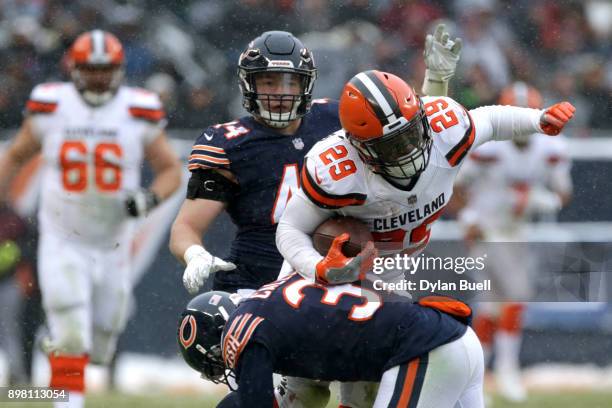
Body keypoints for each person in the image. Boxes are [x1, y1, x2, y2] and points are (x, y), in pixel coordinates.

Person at [169, 25, 462, 407]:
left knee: (367, 385)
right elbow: (185, 227)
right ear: (247, 84)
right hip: (261, 289)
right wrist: (194, 254)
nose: (279, 92)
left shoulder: (335, 119)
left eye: (289, 81)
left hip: (334, 281)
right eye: (268, 82)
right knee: (295, 395)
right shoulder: (229, 142)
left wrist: (436, 81)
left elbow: (416, 131)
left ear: (306, 84)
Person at [0, 29, 181, 408]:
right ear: (73, 69)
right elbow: (15, 155)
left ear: (118, 69)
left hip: (112, 240)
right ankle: (68, 401)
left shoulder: (138, 109)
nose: (98, 77)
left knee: (103, 336)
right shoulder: (52, 105)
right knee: (69, 326)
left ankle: (70, 363)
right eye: (90, 69)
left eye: (105, 69)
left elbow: (170, 172)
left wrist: (148, 199)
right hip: (62, 235)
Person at [275, 70, 575, 288]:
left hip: (390, 273)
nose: (407, 149)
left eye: (411, 134)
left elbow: (490, 120)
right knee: (302, 369)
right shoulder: (337, 170)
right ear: (359, 146)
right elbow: (290, 228)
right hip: (320, 275)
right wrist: (319, 268)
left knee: (378, 369)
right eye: (391, 146)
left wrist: (536, 119)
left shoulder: (445, 127)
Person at [178, 274, 484, 407]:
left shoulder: (242, 330)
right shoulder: (275, 296)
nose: (228, 367)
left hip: (425, 351)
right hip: (454, 336)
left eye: (218, 361)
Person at [453, 82, 573, 402]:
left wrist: (539, 200)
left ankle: (481, 374)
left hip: (515, 232)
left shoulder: (551, 148)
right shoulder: (487, 147)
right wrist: (468, 217)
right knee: (514, 297)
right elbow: (456, 185)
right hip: (486, 230)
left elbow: (563, 192)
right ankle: (504, 369)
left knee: (493, 306)